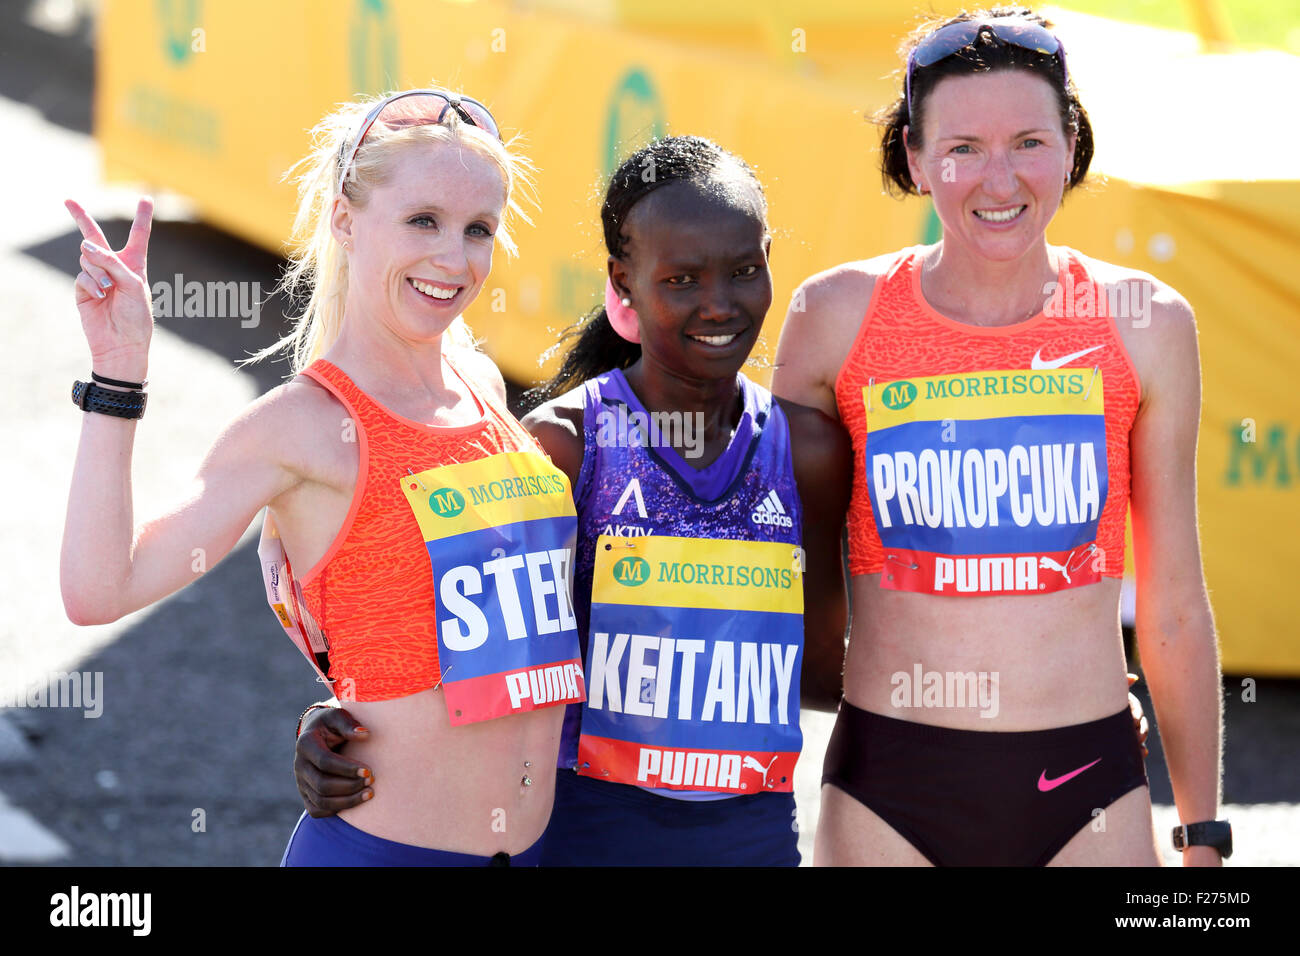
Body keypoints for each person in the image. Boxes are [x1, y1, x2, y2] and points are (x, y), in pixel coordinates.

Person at [60, 88, 585, 866]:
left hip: (532, 850)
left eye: (479, 229)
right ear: (345, 220)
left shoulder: (481, 384)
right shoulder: (301, 425)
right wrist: (117, 378)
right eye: (422, 221)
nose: (455, 257)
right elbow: (100, 590)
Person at [296, 134, 853, 865]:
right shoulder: (562, 448)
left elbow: (821, 676)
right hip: (577, 841)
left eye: (745, 271)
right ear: (623, 284)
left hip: (750, 848)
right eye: (681, 280)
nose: (719, 304)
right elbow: (462, 653)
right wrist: (335, 720)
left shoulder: (807, 451)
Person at [771, 8, 1225, 866]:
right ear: (913, 156)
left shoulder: (1147, 323)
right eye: (962, 148)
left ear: (1071, 144)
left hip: (1087, 782)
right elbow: (775, 567)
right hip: (889, 789)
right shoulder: (831, 319)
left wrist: (1202, 836)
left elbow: (1171, 605)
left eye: (1028, 141)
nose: (999, 179)